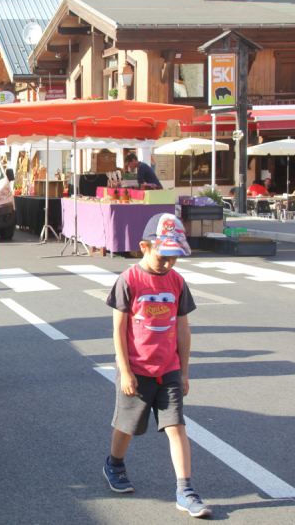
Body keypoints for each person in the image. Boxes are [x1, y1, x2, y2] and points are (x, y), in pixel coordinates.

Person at [103, 213, 210, 518]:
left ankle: (185, 489)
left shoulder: (177, 281)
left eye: (174, 257)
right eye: (163, 256)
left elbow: (183, 330)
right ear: (144, 246)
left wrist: (184, 371)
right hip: (136, 370)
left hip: (169, 370)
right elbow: (119, 330)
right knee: (128, 427)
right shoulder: (129, 280)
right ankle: (114, 463)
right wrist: (124, 370)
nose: (168, 264)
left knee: (176, 427)